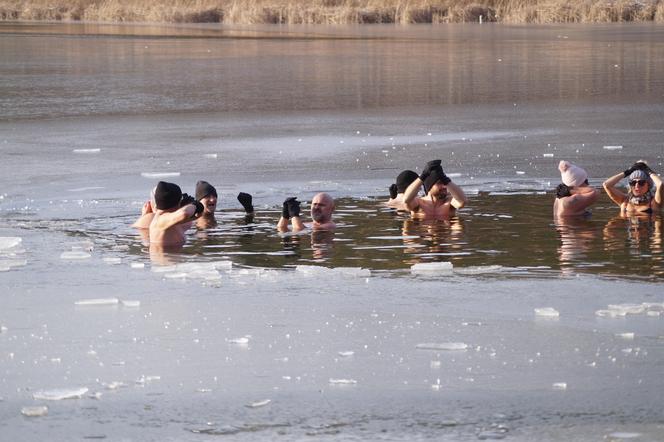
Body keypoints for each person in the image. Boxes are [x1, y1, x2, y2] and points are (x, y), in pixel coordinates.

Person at [149, 181, 203, 246]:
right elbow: (184, 213)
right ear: (178, 202)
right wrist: (194, 204)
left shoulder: (169, 221)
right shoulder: (160, 220)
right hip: (166, 256)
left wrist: (198, 210)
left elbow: (194, 216)